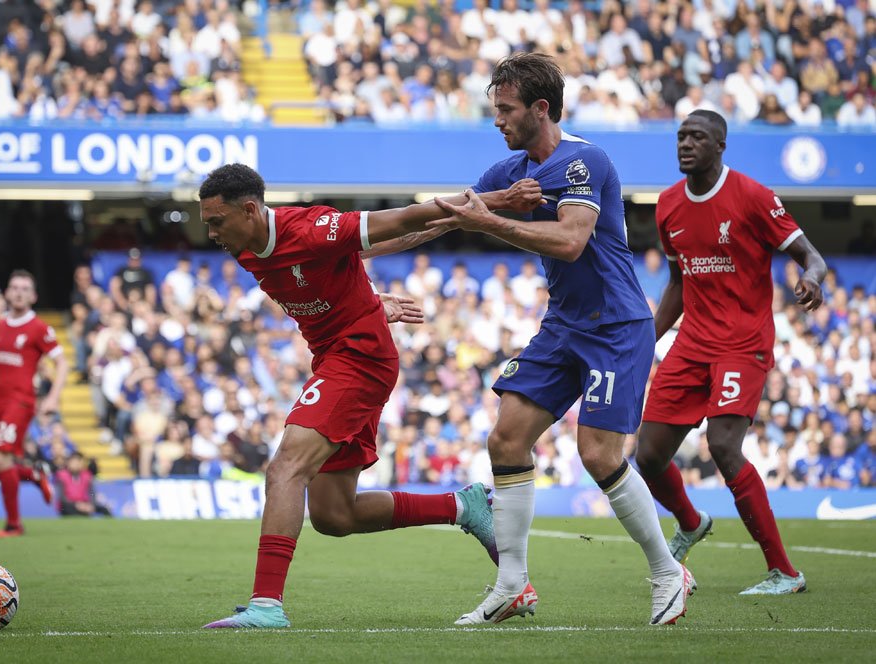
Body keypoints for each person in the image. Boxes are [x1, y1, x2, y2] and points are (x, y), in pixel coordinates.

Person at [199, 163, 542, 629]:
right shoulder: (245, 248)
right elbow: (344, 266)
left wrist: (496, 201)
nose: (211, 232)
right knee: (334, 515)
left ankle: (266, 606)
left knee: (286, 467)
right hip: (339, 356)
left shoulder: (312, 228)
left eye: (216, 221)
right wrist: (372, 301)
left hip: (358, 357)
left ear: (250, 209)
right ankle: (463, 506)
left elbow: (400, 220)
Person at [429, 52, 692, 627]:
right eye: (494, 109)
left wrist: (491, 221)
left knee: (597, 453)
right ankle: (512, 583)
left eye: (506, 110)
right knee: (506, 441)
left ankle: (668, 571)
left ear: (540, 108)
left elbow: (572, 241)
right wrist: (356, 247)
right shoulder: (509, 172)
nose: (496, 120)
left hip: (618, 326)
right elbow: (450, 215)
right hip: (565, 326)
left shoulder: (583, 161)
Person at [635, 110, 826, 595]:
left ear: (720, 145)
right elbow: (679, 282)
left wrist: (812, 278)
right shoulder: (668, 205)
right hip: (692, 342)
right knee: (649, 455)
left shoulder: (753, 196)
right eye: (681, 137)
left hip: (743, 343)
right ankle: (691, 522)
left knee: (723, 446)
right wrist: (646, 339)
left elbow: (811, 255)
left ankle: (784, 571)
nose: (685, 144)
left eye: (697, 137)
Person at [0, 270, 69, 537]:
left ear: (33, 296)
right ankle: (32, 475)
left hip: (20, 402)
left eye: (25, 288)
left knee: (1, 457)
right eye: (14, 287)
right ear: (8, 292)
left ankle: (14, 524)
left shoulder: (39, 328)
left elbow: (62, 362)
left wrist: (53, 397)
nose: (19, 292)